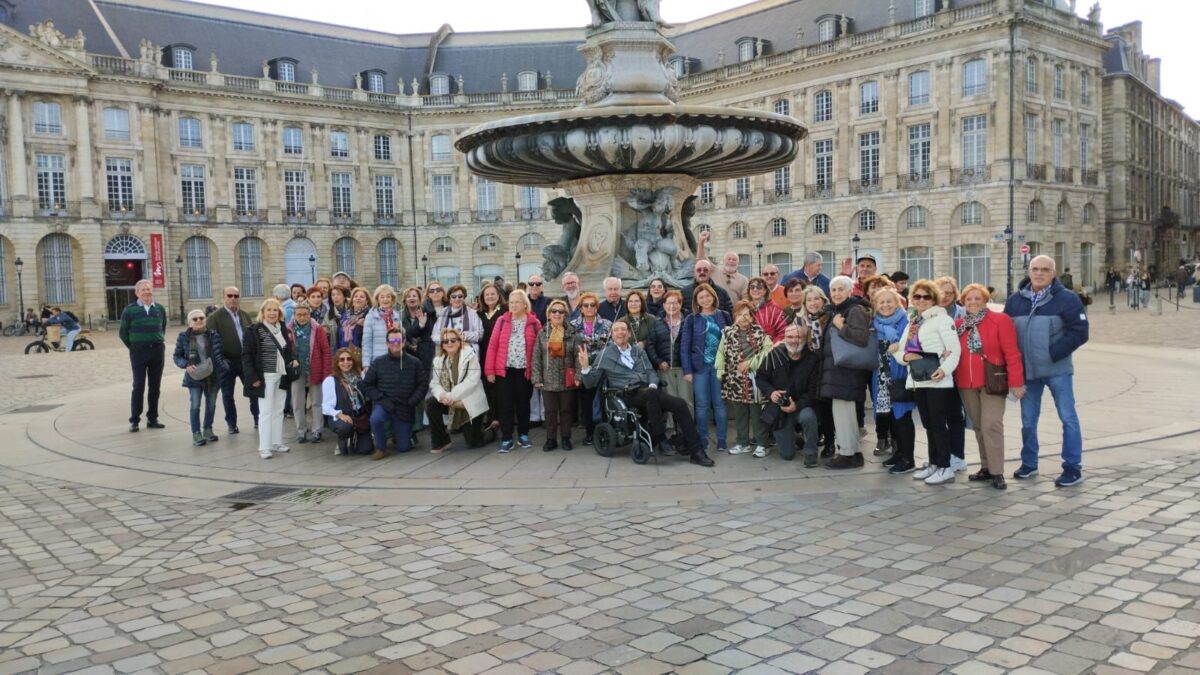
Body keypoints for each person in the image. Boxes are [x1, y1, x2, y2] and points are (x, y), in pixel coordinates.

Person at [578, 319, 714, 466]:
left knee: (680, 404)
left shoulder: (638, 350)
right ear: (611, 335)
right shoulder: (605, 354)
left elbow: (650, 371)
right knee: (651, 395)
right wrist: (585, 367)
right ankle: (660, 437)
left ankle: (697, 452)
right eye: (616, 330)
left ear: (629, 333)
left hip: (649, 391)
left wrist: (653, 384)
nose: (620, 332)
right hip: (627, 394)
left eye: (623, 329)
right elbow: (591, 382)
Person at [1005, 254, 1088, 487]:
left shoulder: (1068, 299)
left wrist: (1052, 353)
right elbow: (1006, 334)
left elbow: (1080, 331)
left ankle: (1072, 467)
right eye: (1035, 269)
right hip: (1028, 374)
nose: (1039, 273)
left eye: (1045, 269)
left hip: (1058, 370)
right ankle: (1029, 463)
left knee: (1068, 417)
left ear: (1053, 273)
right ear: (1029, 272)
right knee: (1028, 421)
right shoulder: (1015, 301)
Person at [955, 284, 1025, 490]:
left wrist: (1016, 382)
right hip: (966, 383)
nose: (973, 302)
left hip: (992, 381)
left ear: (985, 301)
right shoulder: (959, 324)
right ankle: (986, 466)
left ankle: (997, 471)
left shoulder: (999, 320)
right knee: (978, 426)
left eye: (977, 298)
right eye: (969, 299)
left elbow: (1012, 352)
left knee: (991, 424)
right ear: (963, 303)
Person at [896, 279, 962, 485]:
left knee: (938, 424)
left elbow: (954, 349)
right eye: (917, 296)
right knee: (928, 424)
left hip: (936, 381)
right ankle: (934, 462)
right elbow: (900, 350)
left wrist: (943, 370)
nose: (922, 300)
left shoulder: (942, 320)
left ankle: (945, 466)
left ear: (934, 299)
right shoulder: (913, 322)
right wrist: (906, 358)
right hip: (917, 380)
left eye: (927, 296)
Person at [818, 276, 873, 470]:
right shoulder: (839, 310)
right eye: (833, 290)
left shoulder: (854, 310)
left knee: (844, 414)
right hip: (838, 372)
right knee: (843, 413)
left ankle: (847, 454)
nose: (837, 293)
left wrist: (841, 327)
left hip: (846, 372)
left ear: (850, 291)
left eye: (841, 289)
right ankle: (851, 453)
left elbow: (861, 337)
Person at [485, 290, 542, 452]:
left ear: (525, 304)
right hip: (505, 371)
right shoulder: (501, 321)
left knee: (524, 404)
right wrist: (489, 370)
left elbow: (539, 350)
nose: (514, 305)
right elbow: (493, 346)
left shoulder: (534, 323)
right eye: (511, 302)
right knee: (505, 405)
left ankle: (523, 434)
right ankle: (507, 437)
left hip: (525, 371)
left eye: (517, 302)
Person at [756, 323, 821, 466]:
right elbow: (760, 377)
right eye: (790, 337)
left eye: (798, 337)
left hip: (802, 406)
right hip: (779, 410)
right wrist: (771, 392)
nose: (794, 340)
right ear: (784, 338)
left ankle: (811, 453)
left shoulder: (813, 359)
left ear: (805, 339)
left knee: (809, 417)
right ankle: (796, 438)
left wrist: (796, 405)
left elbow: (813, 391)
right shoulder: (774, 355)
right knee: (787, 455)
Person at [242, 298, 299, 460]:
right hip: (264, 377)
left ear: (279, 313)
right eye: (269, 310)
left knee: (278, 410)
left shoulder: (281, 328)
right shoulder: (254, 330)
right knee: (266, 412)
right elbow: (246, 356)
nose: (272, 313)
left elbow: (289, 349)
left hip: (281, 375)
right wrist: (252, 377)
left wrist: (293, 359)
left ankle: (276, 442)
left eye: (275, 310)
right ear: (263, 312)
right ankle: (264, 447)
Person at [362, 326, 429, 460]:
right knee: (375, 419)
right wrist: (380, 398)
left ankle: (404, 435)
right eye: (392, 342)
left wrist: (412, 401)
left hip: (405, 406)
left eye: (398, 341)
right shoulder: (378, 362)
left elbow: (423, 385)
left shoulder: (414, 362)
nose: (395, 344)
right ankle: (381, 448)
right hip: (385, 403)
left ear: (403, 342)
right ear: (387, 343)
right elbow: (367, 385)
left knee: (403, 448)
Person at [870, 288, 918, 474]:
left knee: (902, 416)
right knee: (890, 416)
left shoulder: (906, 321)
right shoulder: (876, 323)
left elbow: (912, 345)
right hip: (881, 375)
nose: (885, 305)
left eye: (889, 301)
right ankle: (899, 453)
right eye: (881, 302)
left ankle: (908, 458)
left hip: (900, 373)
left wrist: (900, 346)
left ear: (898, 303)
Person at [717, 301, 773, 457]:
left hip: (754, 379)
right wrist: (720, 370)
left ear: (752, 316)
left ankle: (762, 443)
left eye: (747, 314)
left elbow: (768, 351)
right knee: (740, 413)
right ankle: (742, 442)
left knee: (756, 414)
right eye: (740, 314)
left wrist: (750, 363)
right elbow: (721, 352)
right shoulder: (727, 333)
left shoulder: (760, 332)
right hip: (734, 380)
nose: (743, 318)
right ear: (734, 316)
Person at [428, 327, 496, 453]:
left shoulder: (470, 356)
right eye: (446, 341)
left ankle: (492, 430)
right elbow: (435, 383)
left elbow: (472, 381)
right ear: (442, 345)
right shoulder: (438, 360)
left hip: (469, 401)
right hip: (449, 400)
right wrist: (441, 395)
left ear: (459, 341)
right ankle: (441, 441)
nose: (449, 343)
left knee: (474, 442)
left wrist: (450, 396)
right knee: (431, 403)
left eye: (453, 340)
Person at [682, 283, 731, 453]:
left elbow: (731, 342)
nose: (705, 299)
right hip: (699, 368)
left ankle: (722, 439)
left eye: (707, 296)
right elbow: (685, 345)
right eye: (701, 297)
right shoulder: (691, 319)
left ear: (713, 296)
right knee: (702, 405)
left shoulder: (724, 316)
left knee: (719, 405)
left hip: (719, 368)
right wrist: (687, 370)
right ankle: (703, 438)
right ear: (696, 300)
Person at [119, 279, 169, 433]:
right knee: (138, 386)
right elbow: (123, 333)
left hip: (157, 350)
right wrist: (134, 346)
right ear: (137, 293)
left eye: (149, 289)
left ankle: (152, 419)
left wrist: (156, 340)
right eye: (143, 290)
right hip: (138, 351)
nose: (147, 291)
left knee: (155, 386)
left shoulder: (159, 308)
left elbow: (163, 327)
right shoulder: (129, 310)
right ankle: (134, 420)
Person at [173, 309, 228, 446]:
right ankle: (196, 433)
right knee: (195, 405)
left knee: (211, 405)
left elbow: (222, 354)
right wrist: (186, 364)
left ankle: (208, 429)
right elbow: (177, 356)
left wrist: (224, 367)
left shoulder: (214, 335)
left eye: (201, 318)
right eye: (195, 319)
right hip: (194, 377)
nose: (199, 321)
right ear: (189, 323)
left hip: (213, 376)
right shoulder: (183, 337)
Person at [532, 299, 581, 451]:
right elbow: (536, 357)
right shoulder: (542, 333)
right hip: (548, 380)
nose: (557, 314)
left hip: (567, 377)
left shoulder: (572, 332)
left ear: (565, 314)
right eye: (554, 311)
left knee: (566, 411)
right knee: (550, 411)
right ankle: (551, 439)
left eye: (561, 311)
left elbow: (579, 356)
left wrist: (579, 376)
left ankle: (566, 438)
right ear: (549, 314)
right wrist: (537, 378)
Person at [207, 287, 257, 434]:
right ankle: (231, 424)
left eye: (236, 295)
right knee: (228, 394)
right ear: (224, 297)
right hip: (227, 362)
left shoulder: (245, 315)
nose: (233, 298)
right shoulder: (215, 317)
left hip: (245, 360)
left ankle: (257, 419)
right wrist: (221, 361)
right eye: (230, 295)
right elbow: (212, 342)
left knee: (253, 391)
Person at [569, 292, 612, 444]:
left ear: (596, 307)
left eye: (592, 305)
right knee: (586, 401)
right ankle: (589, 433)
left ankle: (604, 432)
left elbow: (610, 346)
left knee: (603, 400)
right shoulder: (573, 325)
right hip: (583, 367)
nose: (589, 308)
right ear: (580, 308)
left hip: (601, 368)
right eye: (585, 305)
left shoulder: (607, 324)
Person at [288, 303, 331, 444]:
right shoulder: (288, 330)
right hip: (296, 371)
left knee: (317, 402)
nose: (302, 317)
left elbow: (326, 351)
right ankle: (301, 431)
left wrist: (326, 373)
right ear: (294, 316)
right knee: (298, 402)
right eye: (298, 315)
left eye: (305, 314)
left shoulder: (318, 330)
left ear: (309, 315)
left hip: (315, 369)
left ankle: (317, 430)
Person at [322, 348, 374, 456]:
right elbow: (326, 407)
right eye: (342, 360)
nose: (346, 362)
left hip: (360, 417)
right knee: (345, 428)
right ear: (337, 363)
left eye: (349, 359)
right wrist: (339, 414)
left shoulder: (361, 376)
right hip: (343, 418)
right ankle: (343, 438)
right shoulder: (331, 380)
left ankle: (358, 436)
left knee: (366, 450)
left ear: (353, 361)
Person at [656, 290, 692, 416]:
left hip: (684, 368)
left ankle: (687, 431)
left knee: (686, 401)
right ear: (664, 305)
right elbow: (650, 345)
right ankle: (671, 430)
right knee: (668, 402)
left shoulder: (689, 320)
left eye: (675, 302)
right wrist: (659, 361)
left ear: (681, 304)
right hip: (665, 369)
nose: (672, 306)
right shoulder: (657, 322)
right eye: (669, 303)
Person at [476, 282, 506, 427]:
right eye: (487, 294)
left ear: (498, 295)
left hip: (500, 353)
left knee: (501, 386)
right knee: (487, 386)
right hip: (483, 353)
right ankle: (492, 417)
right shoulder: (479, 313)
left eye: (492, 294)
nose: (490, 296)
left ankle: (503, 417)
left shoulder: (505, 311)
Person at [433, 284, 483, 356]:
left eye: (460, 296)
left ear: (464, 298)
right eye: (454, 297)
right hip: (447, 354)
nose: (457, 299)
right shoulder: (442, 313)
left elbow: (480, 334)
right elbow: (434, 335)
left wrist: (463, 336)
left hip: (467, 353)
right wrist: (449, 339)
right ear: (450, 299)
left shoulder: (473, 313)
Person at [620, 290, 663, 364]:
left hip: (650, 362)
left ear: (642, 303)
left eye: (636, 301)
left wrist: (644, 343)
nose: (633, 304)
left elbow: (659, 339)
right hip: (628, 363)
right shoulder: (620, 322)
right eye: (630, 301)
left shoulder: (652, 319)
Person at [362, 285, 400, 368]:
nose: (385, 299)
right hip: (377, 361)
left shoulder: (397, 316)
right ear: (377, 299)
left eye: (388, 296)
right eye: (382, 297)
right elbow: (366, 342)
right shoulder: (370, 316)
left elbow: (402, 341)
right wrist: (366, 364)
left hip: (395, 360)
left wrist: (399, 330)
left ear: (392, 299)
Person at [747, 276, 785, 343]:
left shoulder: (774, 308)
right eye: (752, 287)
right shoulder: (744, 307)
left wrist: (771, 347)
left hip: (769, 350)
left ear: (765, 290)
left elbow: (783, 331)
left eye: (759, 287)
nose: (755, 289)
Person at [338, 287, 371, 353]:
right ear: (352, 300)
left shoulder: (370, 315)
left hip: (363, 352)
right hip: (345, 352)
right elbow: (339, 335)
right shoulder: (345, 314)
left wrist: (366, 324)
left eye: (362, 297)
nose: (358, 298)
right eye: (356, 296)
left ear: (367, 301)